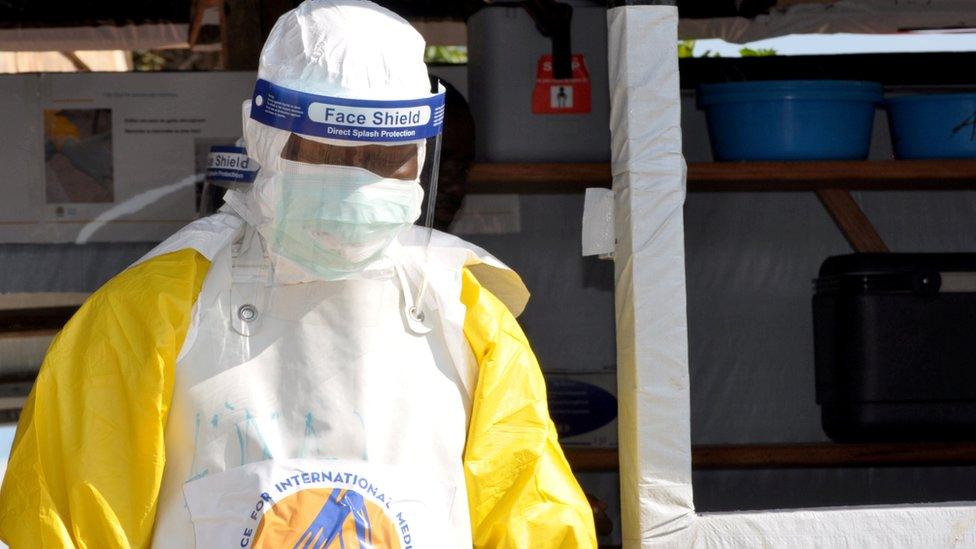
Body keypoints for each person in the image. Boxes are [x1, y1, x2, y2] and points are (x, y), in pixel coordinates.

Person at [0, 1, 596, 547]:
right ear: (266, 138)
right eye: (329, 155)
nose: (358, 181)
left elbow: (531, 520)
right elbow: (67, 523)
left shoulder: (465, 316)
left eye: (386, 159)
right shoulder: (147, 311)